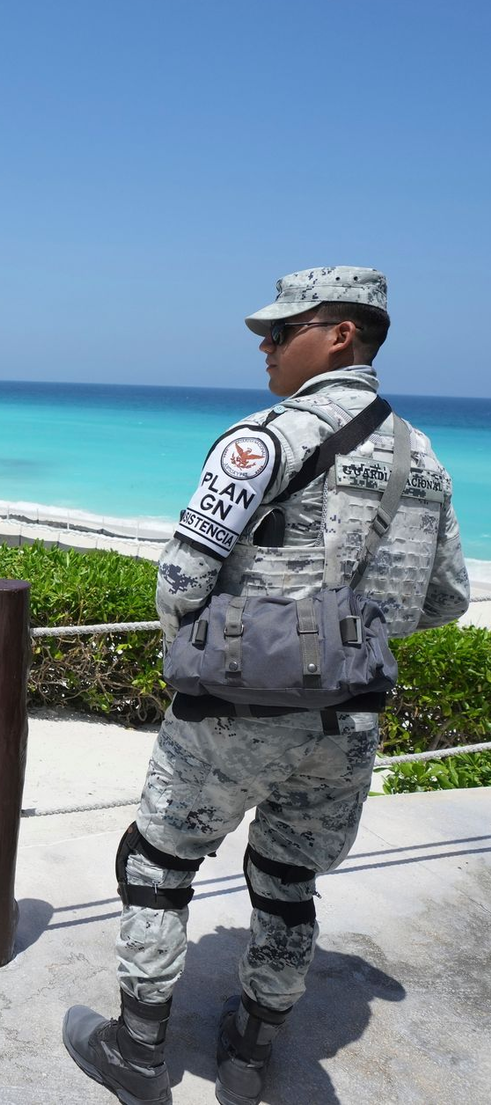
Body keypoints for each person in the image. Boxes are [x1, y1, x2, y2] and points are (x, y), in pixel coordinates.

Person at [62, 266, 469, 1105]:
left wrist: (203, 660)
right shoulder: (423, 457)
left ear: (341, 334)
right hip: (350, 722)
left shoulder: (263, 440)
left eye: (282, 331)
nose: (265, 344)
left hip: (237, 710)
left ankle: (138, 1052)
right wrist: (348, 639)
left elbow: (180, 579)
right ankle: (249, 1054)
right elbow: (447, 600)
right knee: (287, 884)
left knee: (156, 864)